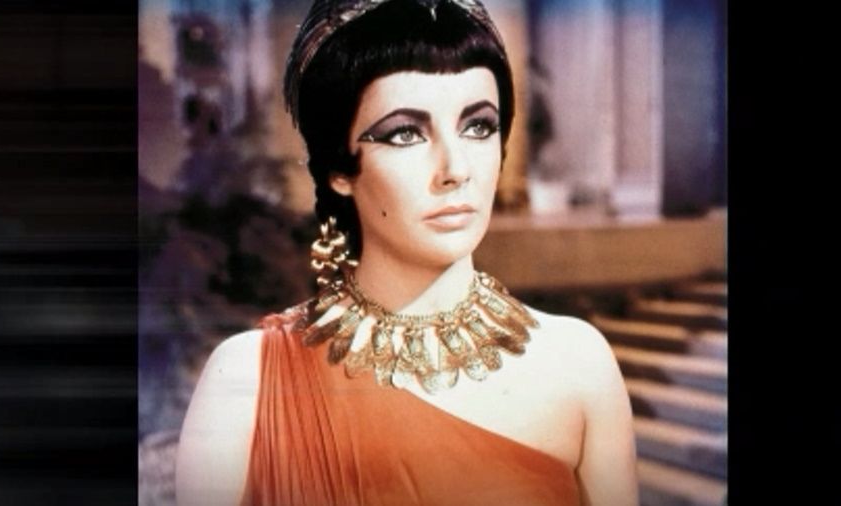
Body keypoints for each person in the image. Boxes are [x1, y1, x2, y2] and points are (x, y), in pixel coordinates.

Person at [175, 0, 638, 504]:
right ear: (340, 168)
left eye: (478, 126)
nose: (455, 169)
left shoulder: (577, 365)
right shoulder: (245, 382)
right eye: (405, 133)